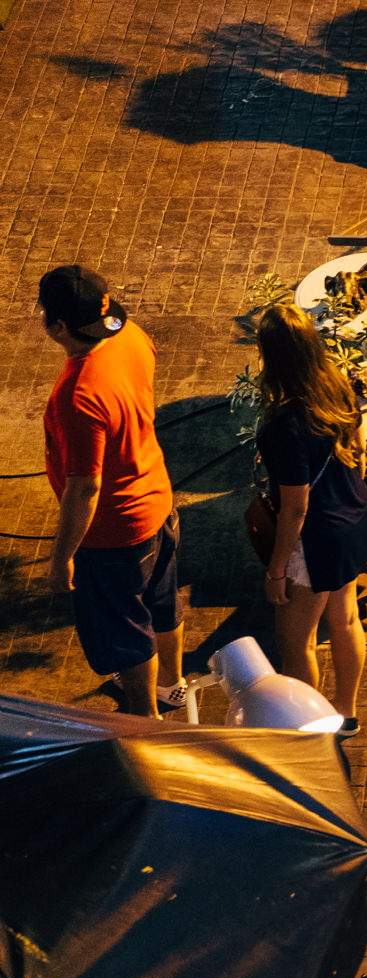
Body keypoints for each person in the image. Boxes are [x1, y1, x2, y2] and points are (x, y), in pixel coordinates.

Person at [38, 265, 185, 718]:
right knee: (162, 603)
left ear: (59, 326)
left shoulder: (78, 394)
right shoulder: (131, 336)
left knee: (125, 632)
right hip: (158, 501)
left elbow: (85, 488)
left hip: (114, 534)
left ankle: (146, 720)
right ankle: (171, 685)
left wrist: (63, 556)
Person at [254, 304, 367, 735]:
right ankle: (345, 713)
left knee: (295, 643)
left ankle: (312, 727)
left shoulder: (283, 426)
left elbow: (296, 508)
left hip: (316, 539)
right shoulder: (339, 387)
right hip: (354, 521)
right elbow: (360, 453)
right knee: (345, 619)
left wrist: (275, 569)